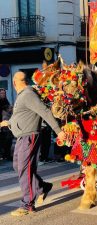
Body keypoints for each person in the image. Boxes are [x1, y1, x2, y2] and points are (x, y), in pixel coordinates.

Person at [0, 72, 66, 216]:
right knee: (18, 166)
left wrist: (58, 131)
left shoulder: (28, 94)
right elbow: (21, 115)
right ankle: (42, 187)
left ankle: (27, 204)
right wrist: (8, 122)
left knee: (25, 169)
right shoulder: (23, 95)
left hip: (29, 137)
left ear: (14, 82)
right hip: (21, 137)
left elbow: (44, 112)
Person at [0, 88, 13, 160]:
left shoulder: (5, 101)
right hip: (1, 124)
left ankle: (7, 154)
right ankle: (3, 155)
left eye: (4, 93)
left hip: (6, 123)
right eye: (1, 93)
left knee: (8, 139)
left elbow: (8, 109)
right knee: (2, 140)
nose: (3, 95)